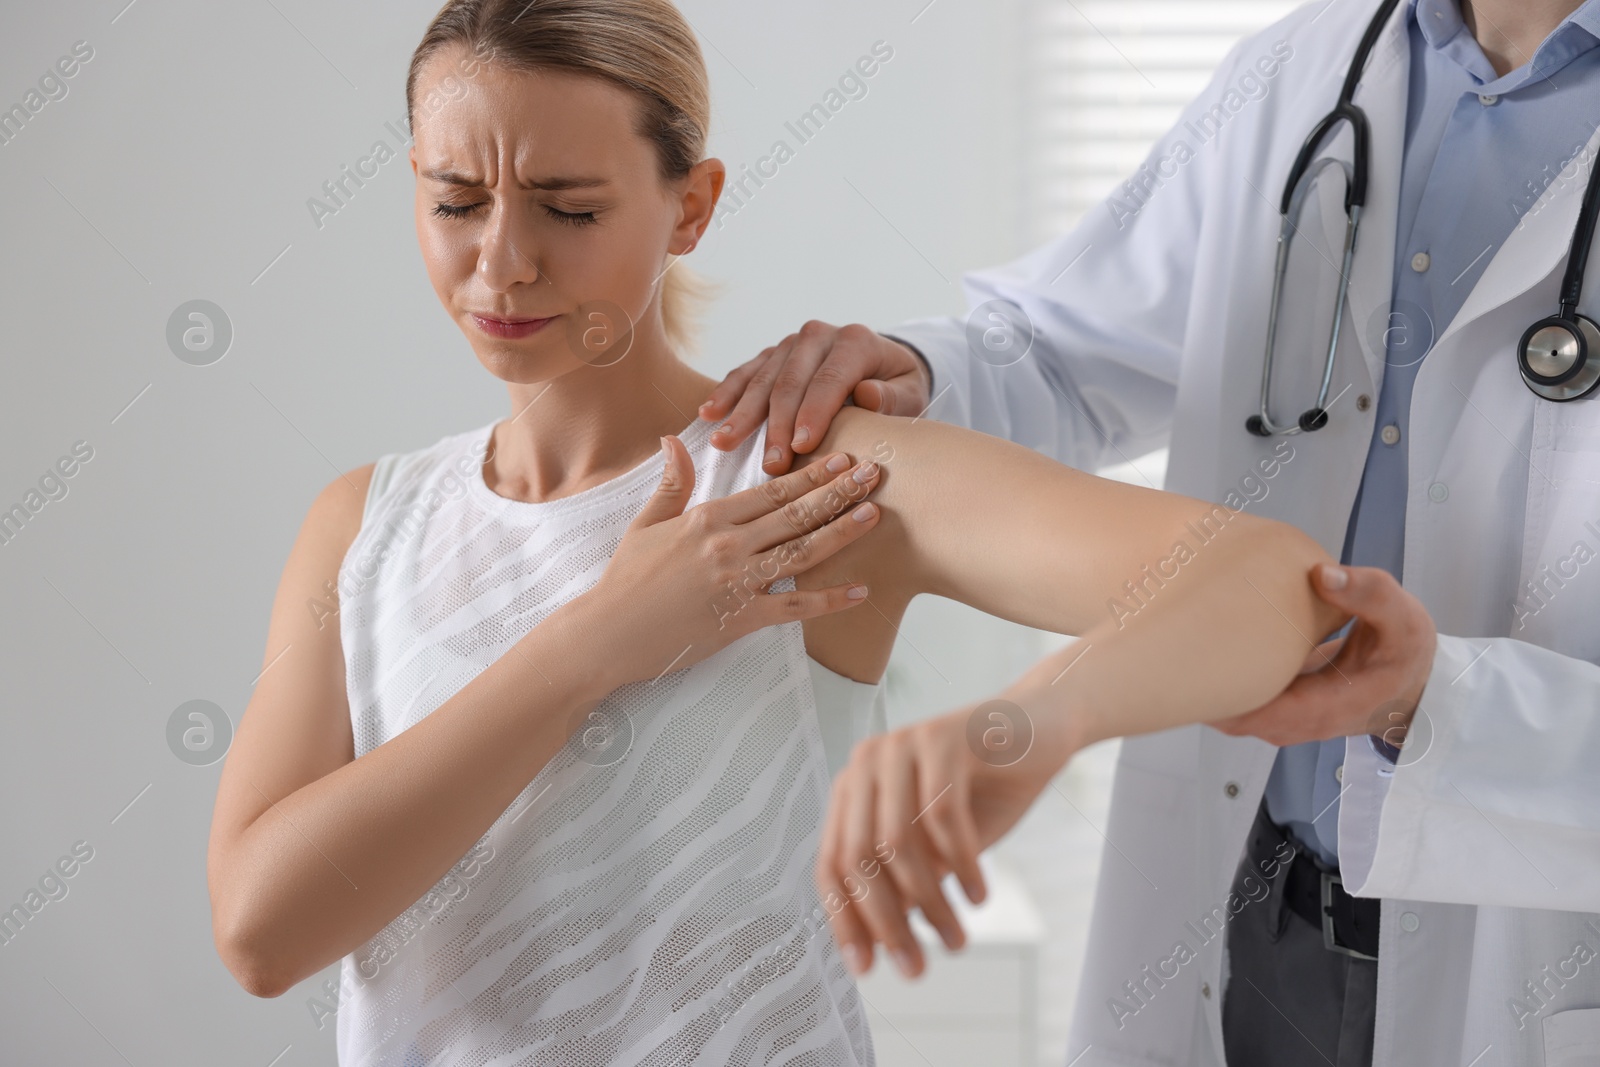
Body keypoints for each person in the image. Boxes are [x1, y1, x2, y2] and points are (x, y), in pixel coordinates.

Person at [204, 2, 1350, 1065]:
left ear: (690, 206)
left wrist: (1033, 719)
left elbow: (1273, 588)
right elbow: (261, 930)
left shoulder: (806, 482)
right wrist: (595, 642)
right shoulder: (368, 520)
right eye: (455, 199)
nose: (501, 259)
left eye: (569, 207)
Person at [705, 1, 1600, 1065]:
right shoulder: (1303, 68)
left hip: (1538, 951)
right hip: (1258, 911)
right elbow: (1061, 349)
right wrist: (919, 369)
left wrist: (1438, 699)